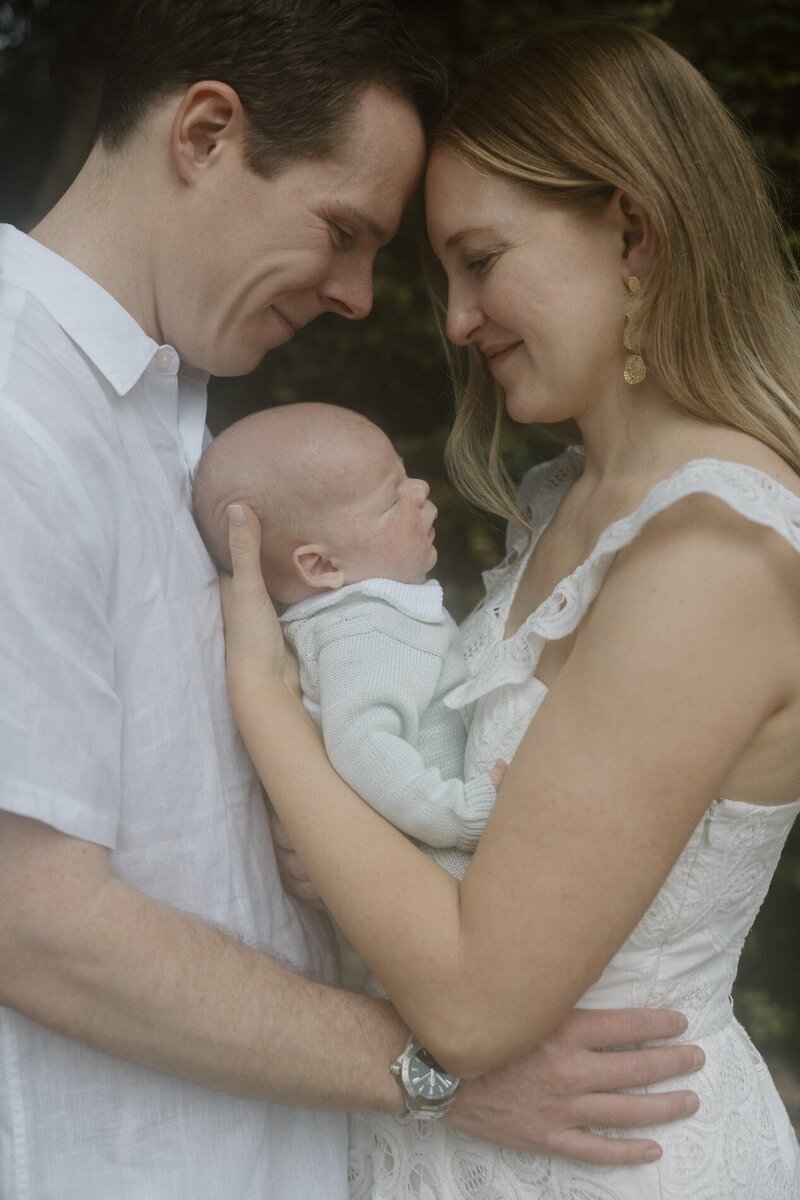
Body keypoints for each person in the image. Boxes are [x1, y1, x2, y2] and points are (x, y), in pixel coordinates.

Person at [0, 3, 703, 1198]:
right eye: (341, 231)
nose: (359, 297)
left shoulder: (181, 433)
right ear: (206, 132)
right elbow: (29, 920)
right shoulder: (19, 421)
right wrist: (432, 1067)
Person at [219, 19, 800, 1200]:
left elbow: (476, 1000)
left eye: (480, 260)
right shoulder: (563, 503)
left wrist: (267, 708)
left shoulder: (711, 555)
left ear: (631, 233)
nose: (454, 319)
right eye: (443, 275)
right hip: (458, 1150)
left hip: (614, 1163)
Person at [193, 401, 503, 883]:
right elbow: (363, 746)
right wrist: (462, 815)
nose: (420, 490)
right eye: (390, 499)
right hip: (438, 872)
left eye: (405, 476)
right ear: (321, 566)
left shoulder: (358, 618)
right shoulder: (364, 630)